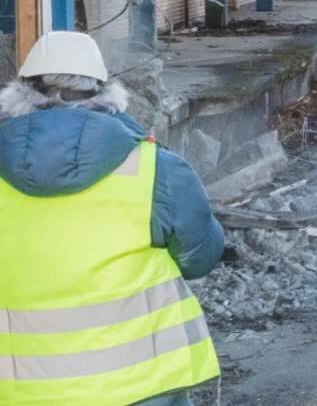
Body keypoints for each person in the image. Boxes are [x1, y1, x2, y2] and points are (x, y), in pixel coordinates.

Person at [0, 32, 224, 406]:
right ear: (104, 95)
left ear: (20, 95)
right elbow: (201, 257)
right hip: (144, 385)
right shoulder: (155, 169)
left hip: (22, 391)